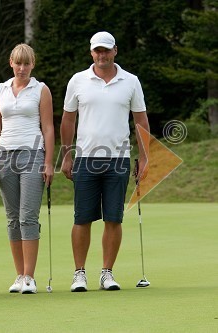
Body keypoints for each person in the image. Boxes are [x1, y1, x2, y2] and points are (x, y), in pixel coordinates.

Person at [60, 31, 150, 292]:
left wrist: (145, 158)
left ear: (115, 51)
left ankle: (107, 273)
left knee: (114, 218)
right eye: (98, 50)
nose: (102, 55)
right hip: (86, 158)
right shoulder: (78, 81)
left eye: (106, 50)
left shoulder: (131, 81)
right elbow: (68, 119)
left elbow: (140, 120)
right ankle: (79, 274)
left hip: (119, 158)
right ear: (91, 53)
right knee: (82, 218)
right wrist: (66, 155)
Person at [0, 44, 54, 294]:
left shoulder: (41, 90)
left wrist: (48, 162)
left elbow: (48, 128)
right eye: (18, 63)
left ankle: (30, 277)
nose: (22, 68)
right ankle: (19, 275)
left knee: (28, 216)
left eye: (27, 64)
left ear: (32, 64)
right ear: (11, 63)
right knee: (13, 218)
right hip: (4, 156)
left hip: (33, 155)